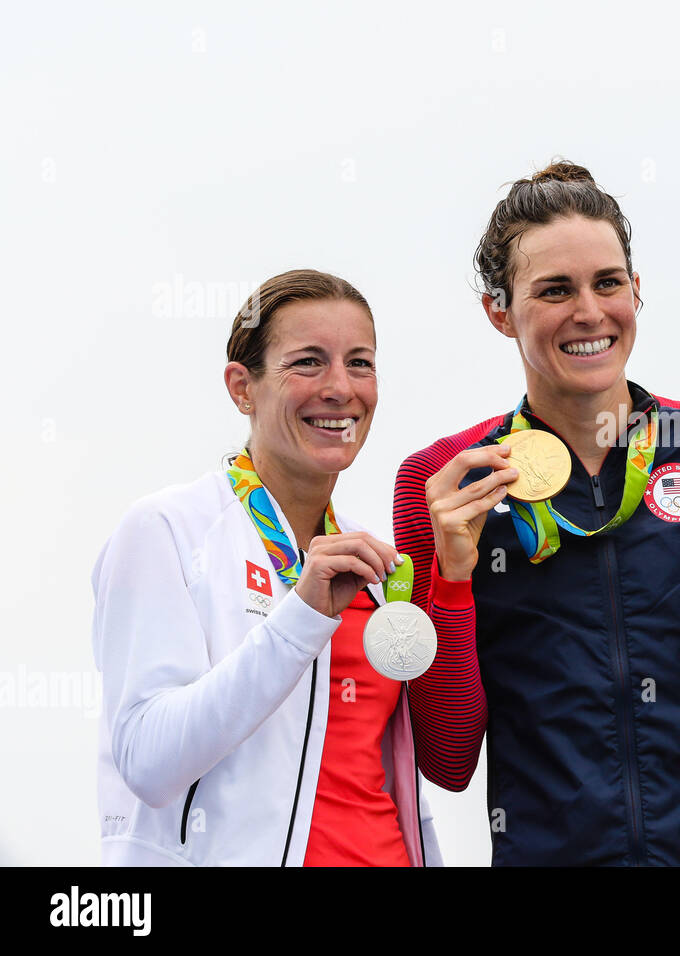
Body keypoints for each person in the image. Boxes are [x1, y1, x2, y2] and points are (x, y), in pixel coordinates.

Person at [394, 161, 680, 865]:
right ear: (499, 309)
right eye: (554, 290)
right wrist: (452, 578)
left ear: (636, 291)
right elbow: (450, 760)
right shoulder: (445, 481)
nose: (589, 312)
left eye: (608, 283)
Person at [93, 269, 441, 866]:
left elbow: (393, 775)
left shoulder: (370, 562)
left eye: (360, 363)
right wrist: (300, 617)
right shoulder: (165, 531)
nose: (340, 388)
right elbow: (148, 761)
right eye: (308, 362)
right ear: (242, 387)